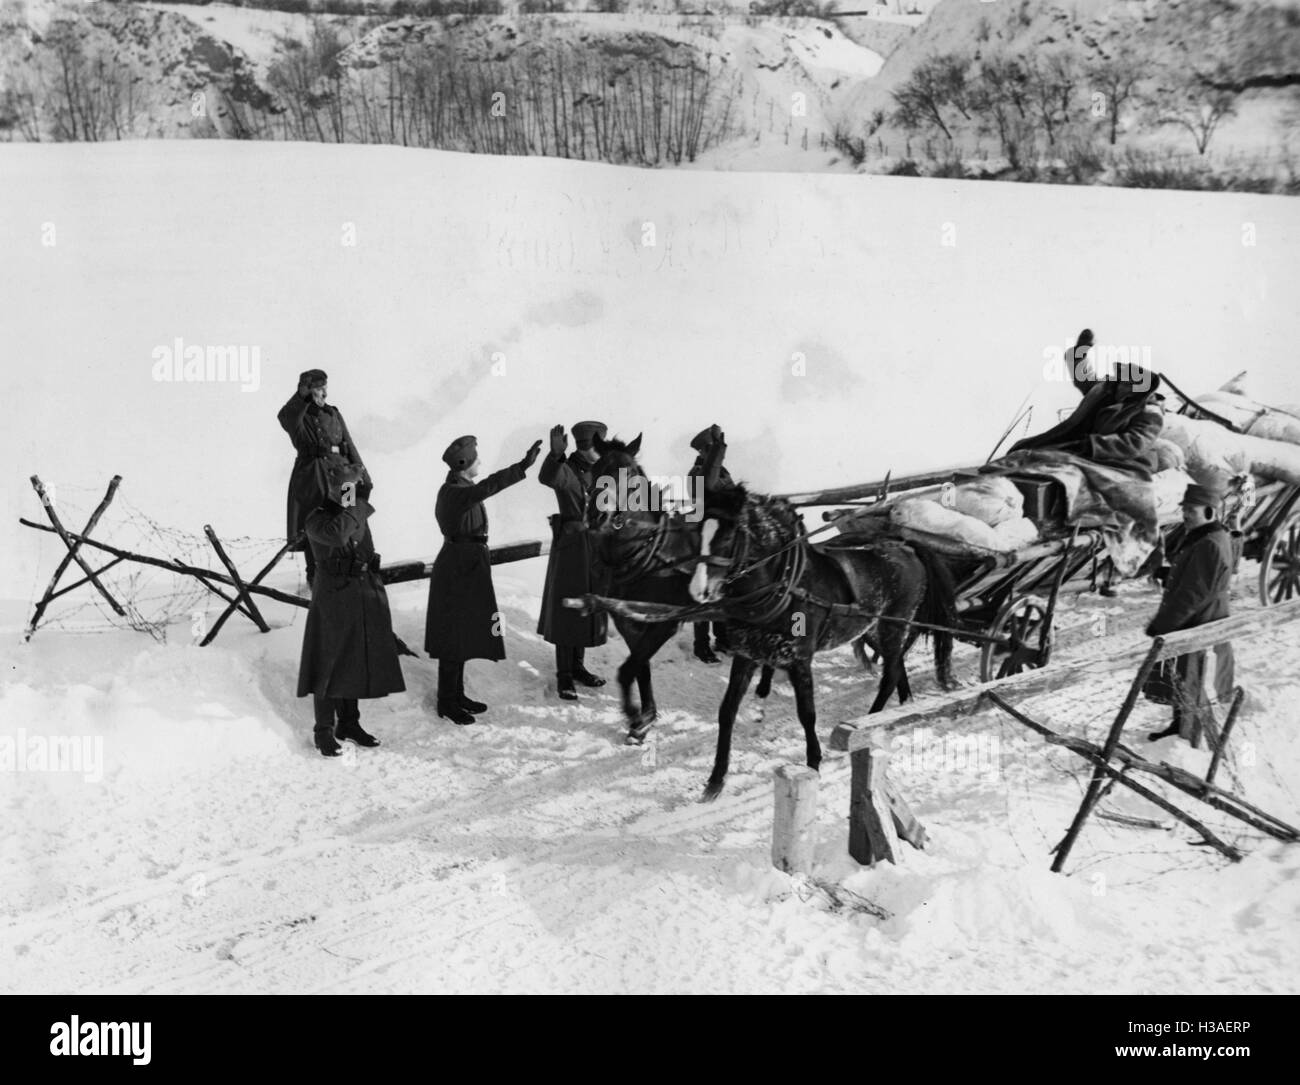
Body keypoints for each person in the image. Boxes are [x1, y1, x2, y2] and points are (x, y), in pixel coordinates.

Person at [425, 434, 542, 724]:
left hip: (467, 563)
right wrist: (522, 466)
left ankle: (456, 694)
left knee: (462, 633)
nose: (480, 463)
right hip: (458, 566)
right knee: (453, 636)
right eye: (476, 459)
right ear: (464, 464)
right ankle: (446, 702)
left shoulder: (461, 487)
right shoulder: (455, 491)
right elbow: (490, 486)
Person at [296, 461, 405, 757]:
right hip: (332, 599)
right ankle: (323, 732)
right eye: (344, 488)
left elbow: (361, 545)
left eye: (351, 488)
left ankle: (349, 724)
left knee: (353, 661)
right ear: (331, 489)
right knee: (328, 665)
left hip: (359, 592)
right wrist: (358, 501)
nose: (349, 494)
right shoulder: (317, 518)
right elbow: (338, 535)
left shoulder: (353, 512)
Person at [1144, 482, 1236, 745]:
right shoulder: (1205, 536)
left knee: (1190, 672)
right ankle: (1181, 722)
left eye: (1191, 510)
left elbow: (1193, 594)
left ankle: (1188, 729)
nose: (1185, 515)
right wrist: (1168, 573)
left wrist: (1163, 625)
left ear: (1209, 511)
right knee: (1183, 672)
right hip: (1201, 615)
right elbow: (1196, 575)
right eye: (1184, 509)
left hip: (1200, 619)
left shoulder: (1209, 543)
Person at [538, 421, 609, 700]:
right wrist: (555, 455)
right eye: (597, 447)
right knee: (567, 612)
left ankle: (578, 667)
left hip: (594, 552)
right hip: (571, 553)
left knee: (585, 611)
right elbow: (548, 477)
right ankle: (564, 676)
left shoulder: (603, 472)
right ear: (584, 447)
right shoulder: (567, 470)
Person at [278, 370, 366, 587]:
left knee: (349, 515)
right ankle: (315, 574)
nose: (323, 392)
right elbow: (286, 416)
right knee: (316, 525)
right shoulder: (298, 416)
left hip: (345, 475)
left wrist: (363, 473)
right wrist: (301, 397)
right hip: (313, 477)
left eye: (324, 387)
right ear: (307, 390)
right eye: (318, 388)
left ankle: (350, 565)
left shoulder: (333, 413)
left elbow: (349, 443)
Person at [1010, 368, 1165, 474]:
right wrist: (1080, 353)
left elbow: (1135, 444)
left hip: (1118, 459)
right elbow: (1084, 378)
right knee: (1022, 449)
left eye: (1132, 385)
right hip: (1081, 447)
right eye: (1123, 382)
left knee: (1048, 464)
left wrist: (1091, 445)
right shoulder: (1106, 392)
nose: (1124, 388)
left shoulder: (1149, 412)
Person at [690, 424, 733, 664]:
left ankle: (723, 639)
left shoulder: (722, 471)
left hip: (721, 536)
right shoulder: (697, 472)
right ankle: (701, 646)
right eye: (712, 448)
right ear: (704, 451)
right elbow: (709, 484)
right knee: (703, 593)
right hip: (705, 537)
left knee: (722, 589)